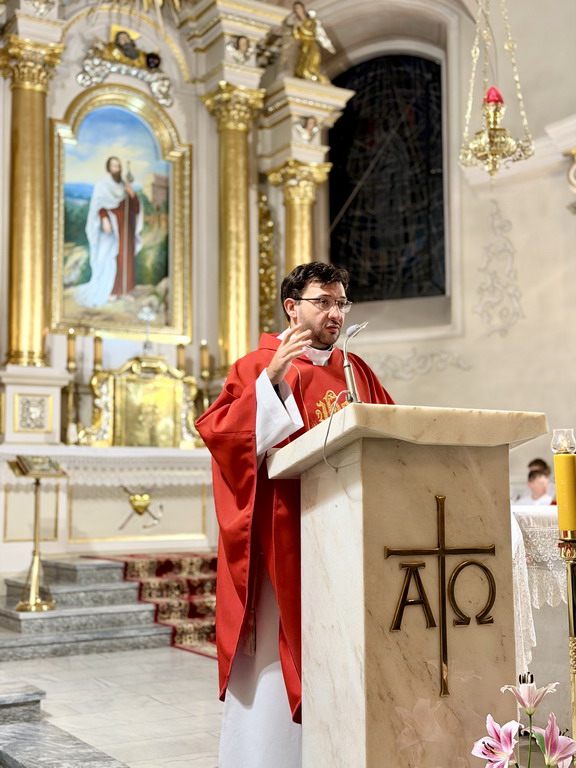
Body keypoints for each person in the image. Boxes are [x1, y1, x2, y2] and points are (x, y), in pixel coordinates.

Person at [196, 262, 394, 768]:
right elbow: (224, 439)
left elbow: (390, 434)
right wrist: (271, 384)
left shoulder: (357, 370)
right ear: (292, 307)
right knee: (276, 667)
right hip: (285, 541)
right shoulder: (258, 366)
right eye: (323, 302)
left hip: (349, 536)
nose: (335, 313)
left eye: (341, 303)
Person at [75, 156, 143, 308]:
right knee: (113, 258)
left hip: (127, 228)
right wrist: (104, 218)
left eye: (118, 166)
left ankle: (125, 290)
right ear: (108, 168)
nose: (116, 169)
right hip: (112, 228)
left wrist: (132, 193)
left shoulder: (124, 186)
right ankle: (113, 290)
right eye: (113, 166)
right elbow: (98, 206)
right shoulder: (102, 185)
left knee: (126, 258)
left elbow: (136, 207)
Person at [290, 1, 335, 84]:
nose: (298, 10)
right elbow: (296, 36)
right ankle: (305, 75)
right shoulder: (297, 22)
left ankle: (312, 74)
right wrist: (295, 27)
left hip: (311, 43)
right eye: (296, 8)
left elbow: (311, 32)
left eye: (299, 8)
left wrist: (300, 26)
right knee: (303, 62)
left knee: (312, 60)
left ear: (303, 9)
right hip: (303, 45)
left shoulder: (311, 21)